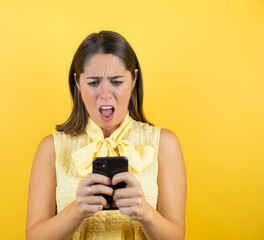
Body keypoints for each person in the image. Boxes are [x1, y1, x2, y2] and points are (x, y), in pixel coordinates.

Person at [26, 30, 186, 240]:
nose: (105, 94)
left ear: (134, 79)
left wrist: (145, 213)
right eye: (93, 83)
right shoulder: (52, 147)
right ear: (77, 82)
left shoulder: (164, 143)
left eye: (117, 82)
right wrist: (76, 211)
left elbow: (177, 237)